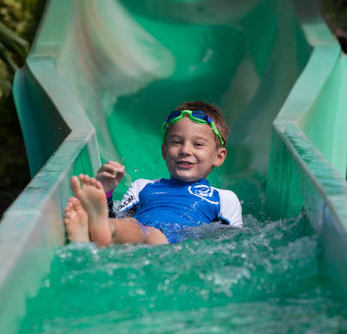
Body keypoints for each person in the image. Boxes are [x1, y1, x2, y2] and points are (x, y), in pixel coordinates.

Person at [64, 101, 243, 247]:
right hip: (136, 234)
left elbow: (233, 243)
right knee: (131, 225)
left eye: (198, 144)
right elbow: (121, 217)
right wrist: (107, 193)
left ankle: (95, 230)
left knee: (145, 232)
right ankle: (91, 233)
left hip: (173, 243)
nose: (185, 150)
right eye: (176, 142)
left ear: (219, 157)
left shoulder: (224, 199)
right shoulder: (142, 186)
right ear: (164, 151)